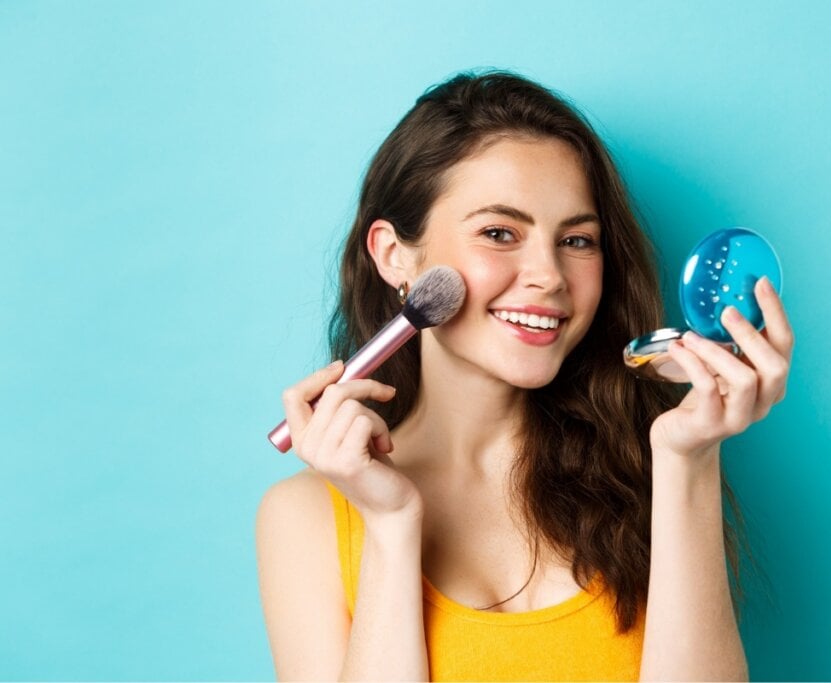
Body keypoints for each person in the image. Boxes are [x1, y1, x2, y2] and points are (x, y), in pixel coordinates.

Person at [256, 69, 793, 682]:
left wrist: (689, 459)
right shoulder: (306, 519)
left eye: (578, 240)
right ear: (393, 255)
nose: (549, 276)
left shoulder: (644, 475)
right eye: (499, 233)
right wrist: (391, 526)